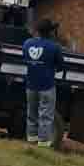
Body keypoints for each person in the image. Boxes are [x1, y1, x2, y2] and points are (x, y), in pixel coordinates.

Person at [22, 17, 64, 147]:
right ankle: (43, 145)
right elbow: (61, 66)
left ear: (37, 31)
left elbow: (25, 60)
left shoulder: (27, 44)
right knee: (45, 116)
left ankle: (31, 142)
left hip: (30, 85)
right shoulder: (54, 46)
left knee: (31, 114)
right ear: (50, 32)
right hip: (47, 86)